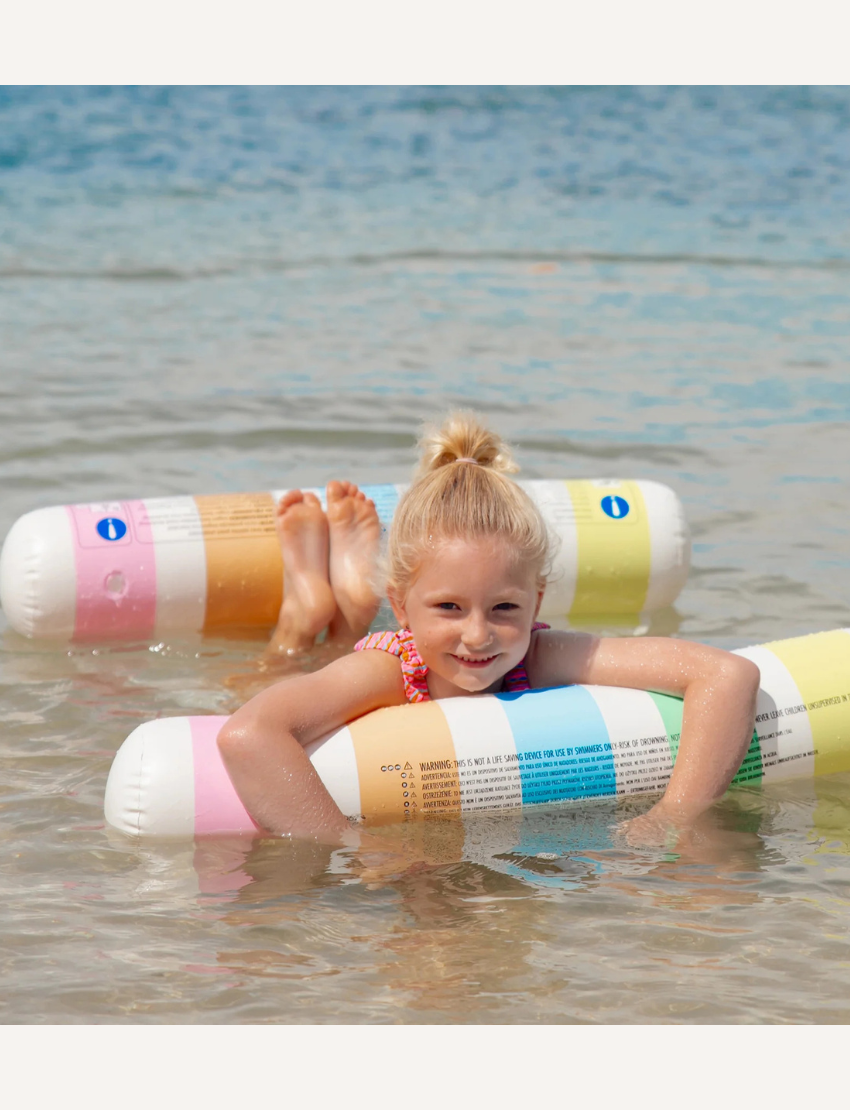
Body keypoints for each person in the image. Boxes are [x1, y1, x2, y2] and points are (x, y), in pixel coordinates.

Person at [218, 412, 760, 845]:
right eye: (450, 608)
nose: (478, 636)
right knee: (273, 668)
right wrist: (351, 843)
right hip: (367, 651)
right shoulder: (388, 670)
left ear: (537, 602)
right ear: (403, 609)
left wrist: (676, 815)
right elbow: (248, 732)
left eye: (504, 609)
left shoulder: (537, 653)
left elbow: (727, 675)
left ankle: (340, 592)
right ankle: (306, 610)